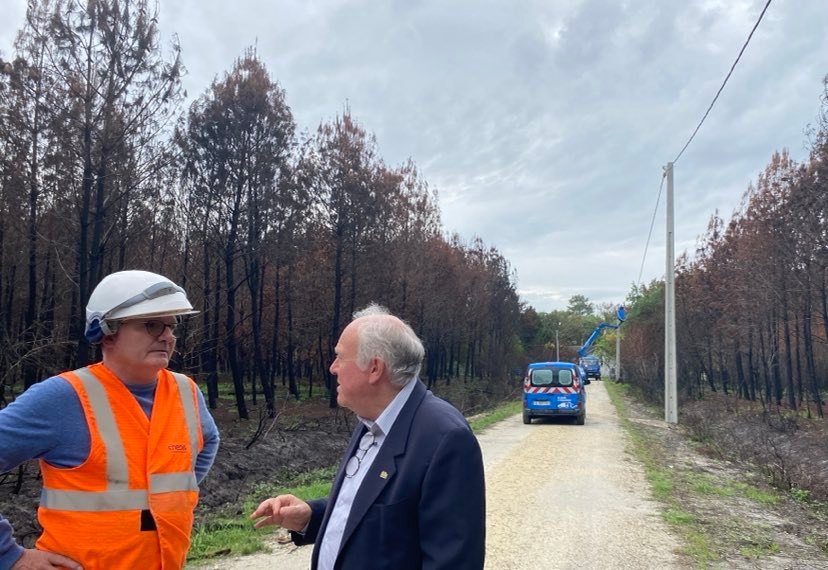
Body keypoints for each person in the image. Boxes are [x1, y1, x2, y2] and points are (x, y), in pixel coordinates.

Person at [0, 270, 220, 570]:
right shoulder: (63, 397)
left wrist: (169, 498)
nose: (167, 336)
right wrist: (10, 557)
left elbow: (208, 441)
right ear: (107, 331)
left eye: (171, 325)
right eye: (152, 325)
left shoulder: (185, 391)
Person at [251, 303, 486, 570]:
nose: (332, 367)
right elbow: (372, 510)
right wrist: (310, 517)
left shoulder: (445, 439)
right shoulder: (373, 418)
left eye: (340, 357)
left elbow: (453, 562)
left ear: (374, 369)